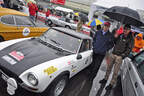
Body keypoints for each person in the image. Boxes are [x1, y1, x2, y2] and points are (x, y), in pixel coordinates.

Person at [99, 24, 134, 90]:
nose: (125, 30)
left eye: (127, 29)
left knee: (115, 71)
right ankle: (105, 79)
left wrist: (122, 56)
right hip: (113, 53)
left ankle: (111, 84)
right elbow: (115, 42)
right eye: (125, 29)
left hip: (119, 57)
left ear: (129, 30)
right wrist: (115, 37)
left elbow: (129, 49)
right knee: (108, 68)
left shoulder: (131, 39)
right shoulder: (120, 35)